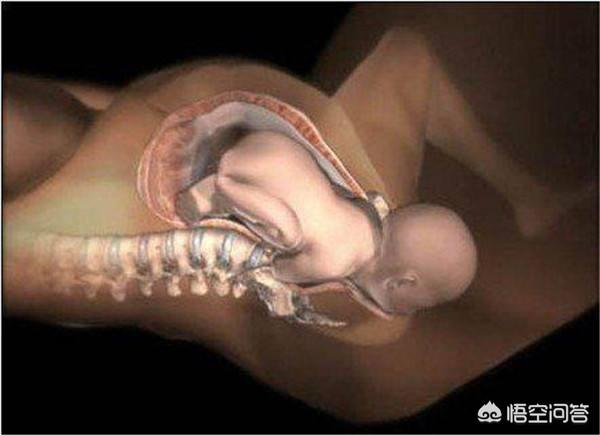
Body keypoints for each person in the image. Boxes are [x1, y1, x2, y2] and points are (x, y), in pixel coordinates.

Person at [3, 26, 594, 421]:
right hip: (163, 189)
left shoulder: (372, 199)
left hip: (197, 125)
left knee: (60, 131)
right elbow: (288, 265)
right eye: (407, 301)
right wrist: (275, 277)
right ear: (403, 284)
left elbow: (407, 54)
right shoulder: (364, 316)